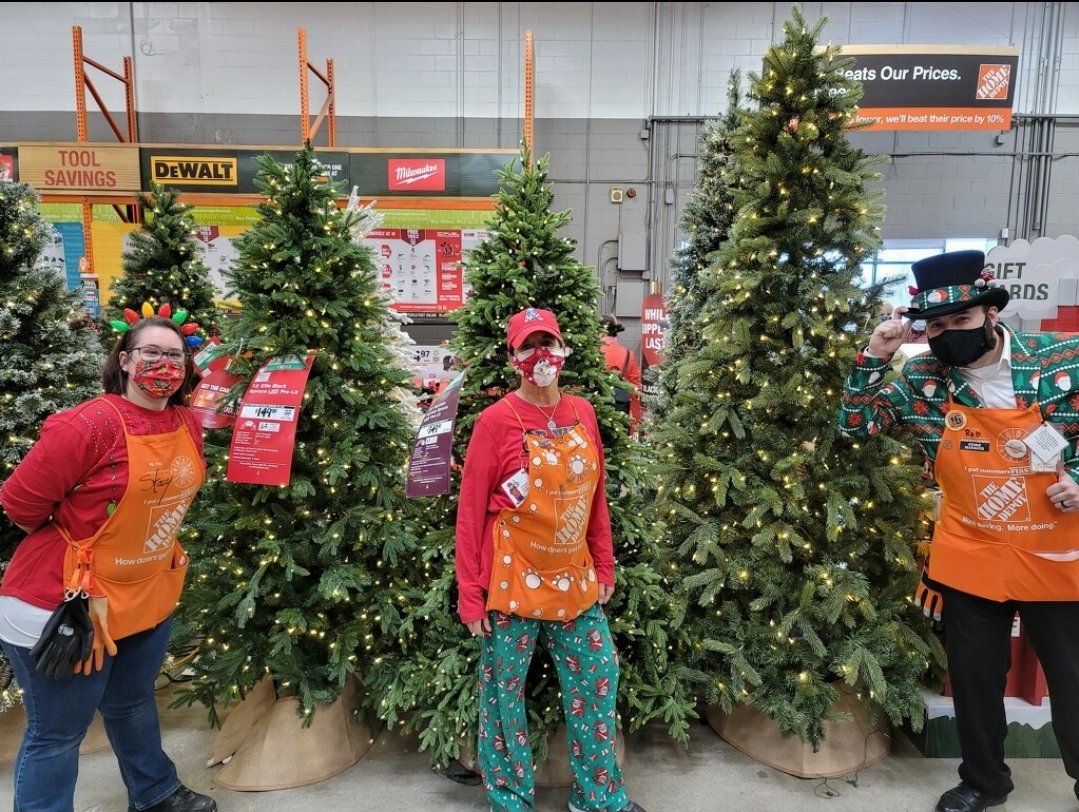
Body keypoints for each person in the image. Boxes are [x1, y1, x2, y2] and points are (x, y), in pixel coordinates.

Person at [838, 250, 1079, 812]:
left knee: (1073, 678)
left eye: (961, 320)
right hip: (972, 549)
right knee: (974, 678)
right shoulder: (922, 378)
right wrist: (875, 354)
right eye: (937, 326)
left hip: (1054, 548)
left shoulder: (1061, 359)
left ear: (991, 314)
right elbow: (855, 426)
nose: (949, 334)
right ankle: (984, 781)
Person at [0, 309, 217, 812]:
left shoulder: (186, 422)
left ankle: (156, 793)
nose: (164, 365)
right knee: (58, 733)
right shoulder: (87, 426)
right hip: (65, 604)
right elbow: (19, 503)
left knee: (133, 703)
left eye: (175, 356)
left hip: (145, 593)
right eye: (151, 353)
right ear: (124, 360)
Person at [455, 306, 645, 812]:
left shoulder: (583, 412)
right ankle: (511, 801)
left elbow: (595, 498)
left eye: (548, 343)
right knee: (503, 699)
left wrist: (603, 563)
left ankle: (597, 797)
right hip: (512, 579)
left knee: (597, 679)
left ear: (563, 350)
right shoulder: (494, 422)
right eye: (528, 345)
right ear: (512, 357)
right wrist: (470, 594)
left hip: (572, 575)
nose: (540, 355)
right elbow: (470, 513)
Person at [599, 314, 643, 437]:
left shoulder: (594, 353)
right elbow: (634, 389)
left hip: (597, 410)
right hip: (621, 411)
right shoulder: (629, 354)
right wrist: (635, 420)